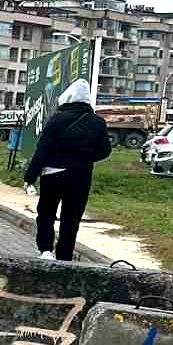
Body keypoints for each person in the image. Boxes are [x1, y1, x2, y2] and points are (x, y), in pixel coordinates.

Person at [24, 78, 110, 261]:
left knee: (46, 212)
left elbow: (43, 150)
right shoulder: (98, 123)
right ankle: (65, 256)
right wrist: (84, 159)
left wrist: (30, 176)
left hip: (53, 174)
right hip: (81, 176)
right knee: (71, 217)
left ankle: (46, 250)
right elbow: (105, 151)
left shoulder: (57, 119)